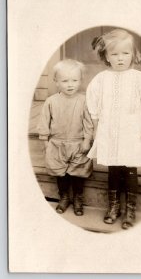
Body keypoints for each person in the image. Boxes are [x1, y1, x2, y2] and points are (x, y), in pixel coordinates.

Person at [86, 29, 141, 229]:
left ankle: (131, 209)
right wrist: (94, 128)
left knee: (130, 169)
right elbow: (93, 104)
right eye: (114, 54)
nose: (120, 59)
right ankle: (114, 206)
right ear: (106, 56)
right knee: (113, 169)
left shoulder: (139, 78)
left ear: (133, 54)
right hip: (109, 130)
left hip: (131, 131)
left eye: (125, 53)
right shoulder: (101, 79)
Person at [38, 59, 93, 216]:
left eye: (74, 80)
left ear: (81, 80)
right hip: (57, 144)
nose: (70, 84)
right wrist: (45, 141)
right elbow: (44, 122)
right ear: (56, 82)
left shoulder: (83, 101)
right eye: (65, 81)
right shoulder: (51, 101)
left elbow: (89, 123)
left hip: (78, 144)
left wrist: (87, 140)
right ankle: (63, 197)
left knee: (78, 173)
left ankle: (78, 198)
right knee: (60, 173)